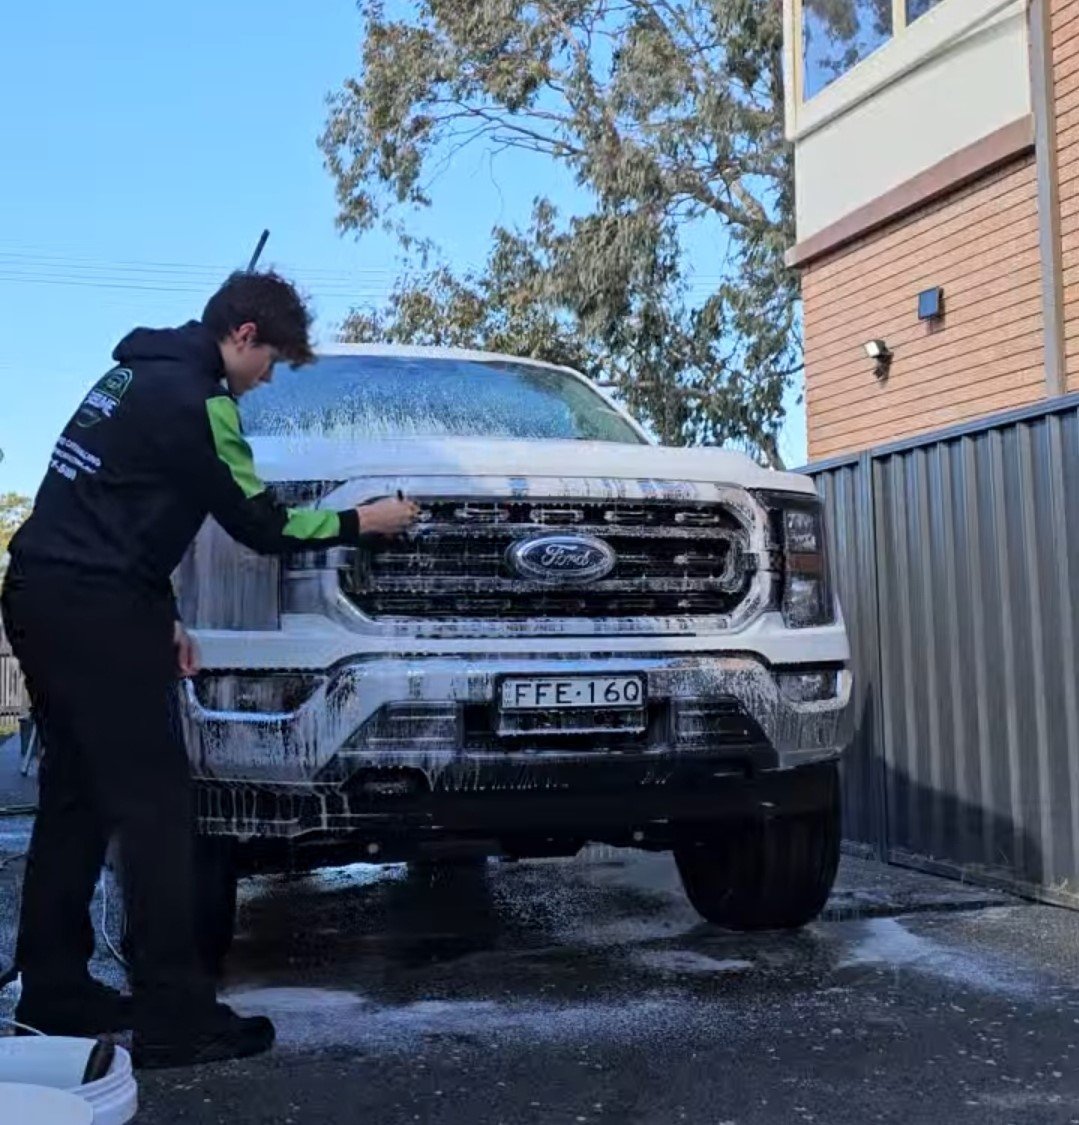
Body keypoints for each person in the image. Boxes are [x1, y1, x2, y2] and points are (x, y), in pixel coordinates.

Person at [0, 271, 419, 1068]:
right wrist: (365, 521)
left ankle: (55, 988)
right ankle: (175, 1015)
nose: (265, 382)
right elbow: (259, 521)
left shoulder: (130, 374)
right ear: (245, 335)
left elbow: (117, 506)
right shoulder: (201, 403)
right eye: (272, 364)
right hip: (92, 607)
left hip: (44, 593)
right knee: (158, 808)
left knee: (79, 797)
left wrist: (161, 614)